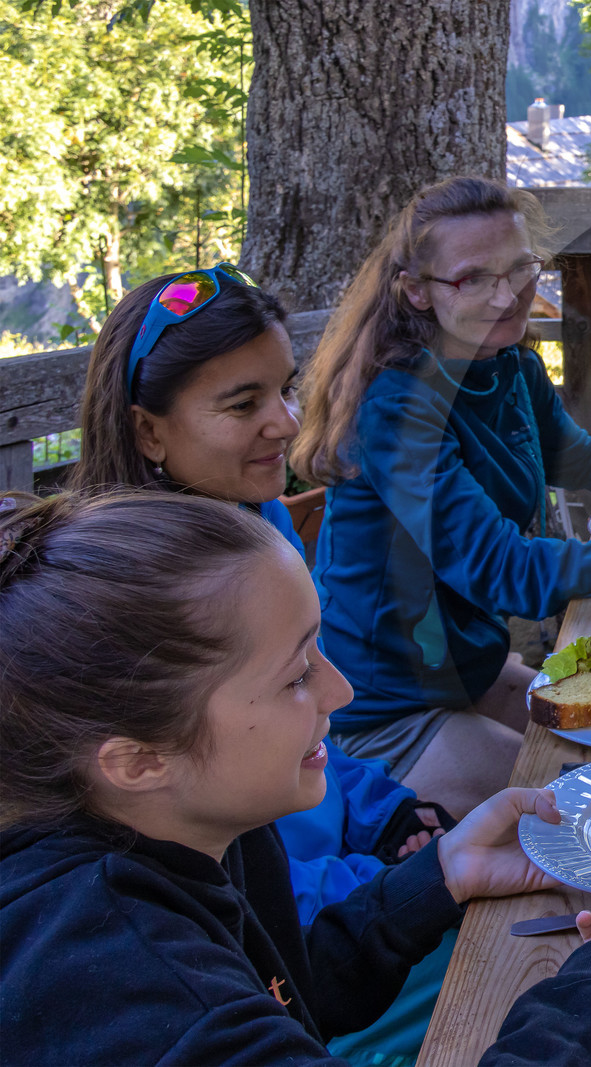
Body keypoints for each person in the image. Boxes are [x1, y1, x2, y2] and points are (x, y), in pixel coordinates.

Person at [0, 490, 591, 1065]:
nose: (339, 691)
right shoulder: (120, 978)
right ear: (138, 760)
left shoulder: (203, 832)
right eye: (295, 677)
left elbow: (283, 991)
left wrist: (441, 874)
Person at [289, 176, 591, 813]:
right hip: (386, 707)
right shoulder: (396, 405)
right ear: (416, 290)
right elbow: (506, 572)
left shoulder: (508, 366)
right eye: (473, 278)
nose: (507, 296)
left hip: (466, 668)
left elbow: (576, 455)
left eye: (520, 268)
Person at [69, 266, 459, 1064]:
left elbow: (310, 718)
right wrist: (380, 882)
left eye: (285, 389)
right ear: (149, 432)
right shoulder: (136, 606)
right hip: (289, 943)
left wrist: (384, 811)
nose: (284, 421)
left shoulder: (262, 522)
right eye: (243, 404)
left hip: (333, 893)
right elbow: (222, 870)